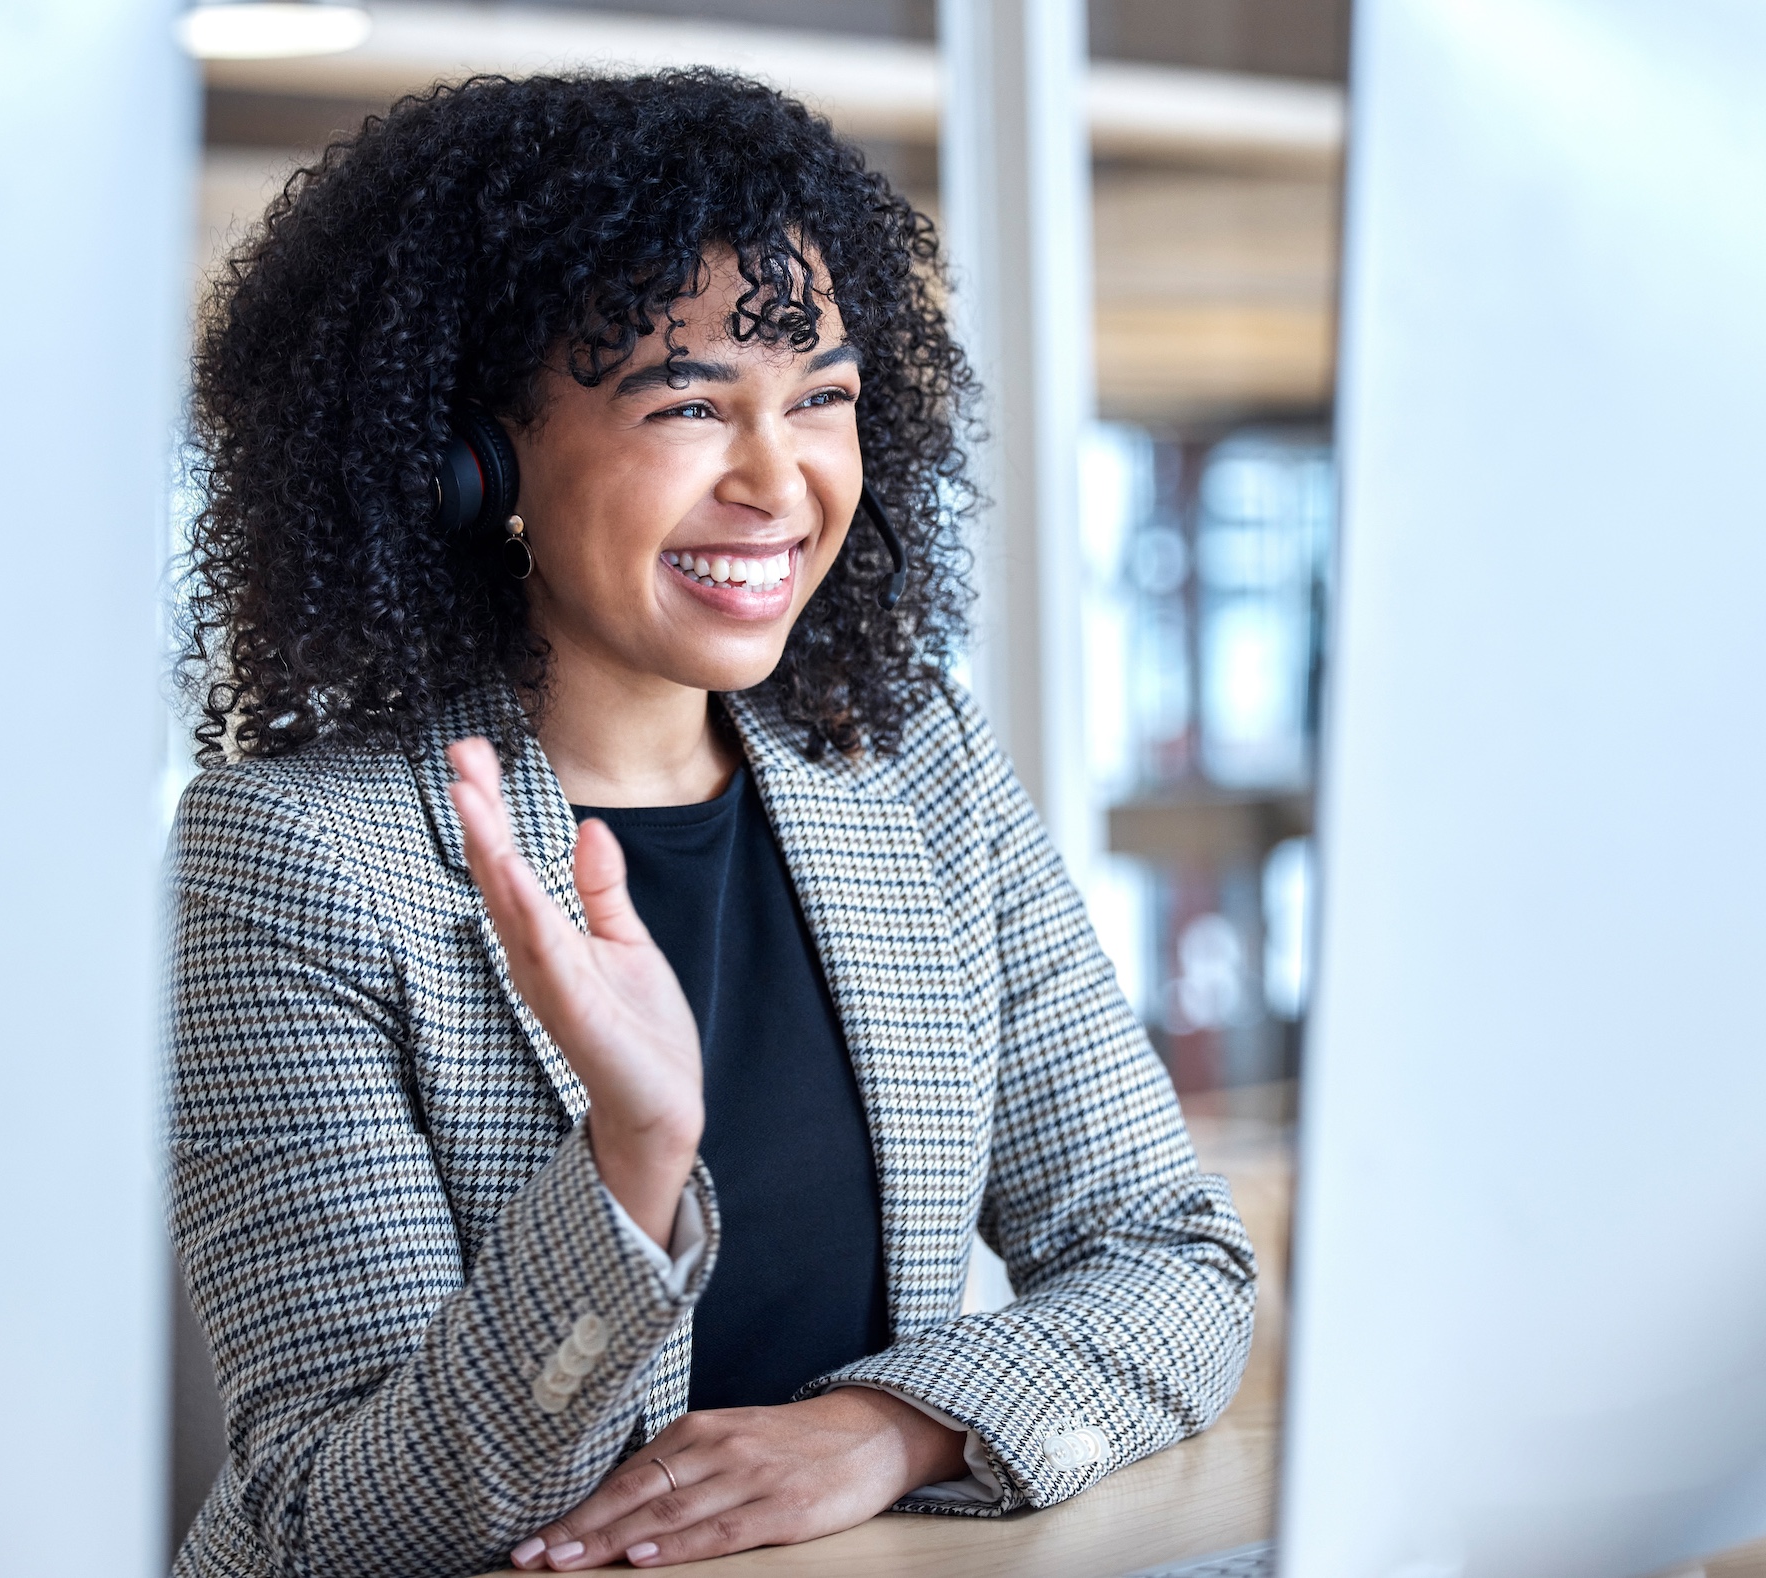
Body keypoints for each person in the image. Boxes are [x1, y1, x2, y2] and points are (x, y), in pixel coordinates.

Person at [166, 70, 1256, 1578]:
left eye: (820, 399)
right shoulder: (299, 854)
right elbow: (325, 1518)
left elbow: (1175, 1259)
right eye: (689, 404)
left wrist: (887, 1426)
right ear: (475, 458)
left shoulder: (912, 772)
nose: (778, 479)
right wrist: (633, 1160)